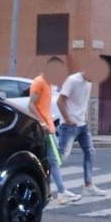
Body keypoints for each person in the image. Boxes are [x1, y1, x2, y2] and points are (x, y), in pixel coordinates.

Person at [56, 60, 107, 199]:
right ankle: (46, 183)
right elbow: (60, 101)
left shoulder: (89, 83)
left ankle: (88, 186)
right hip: (69, 126)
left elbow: (83, 102)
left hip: (82, 125)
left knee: (90, 151)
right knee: (61, 157)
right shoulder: (72, 80)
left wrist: (85, 117)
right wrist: (67, 119)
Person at [29, 58, 76, 204]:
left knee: (53, 160)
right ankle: (61, 192)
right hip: (45, 129)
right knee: (54, 160)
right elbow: (31, 105)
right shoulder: (39, 82)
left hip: (50, 127)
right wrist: (42, 123)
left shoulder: (48, 83)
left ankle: (56, 191)